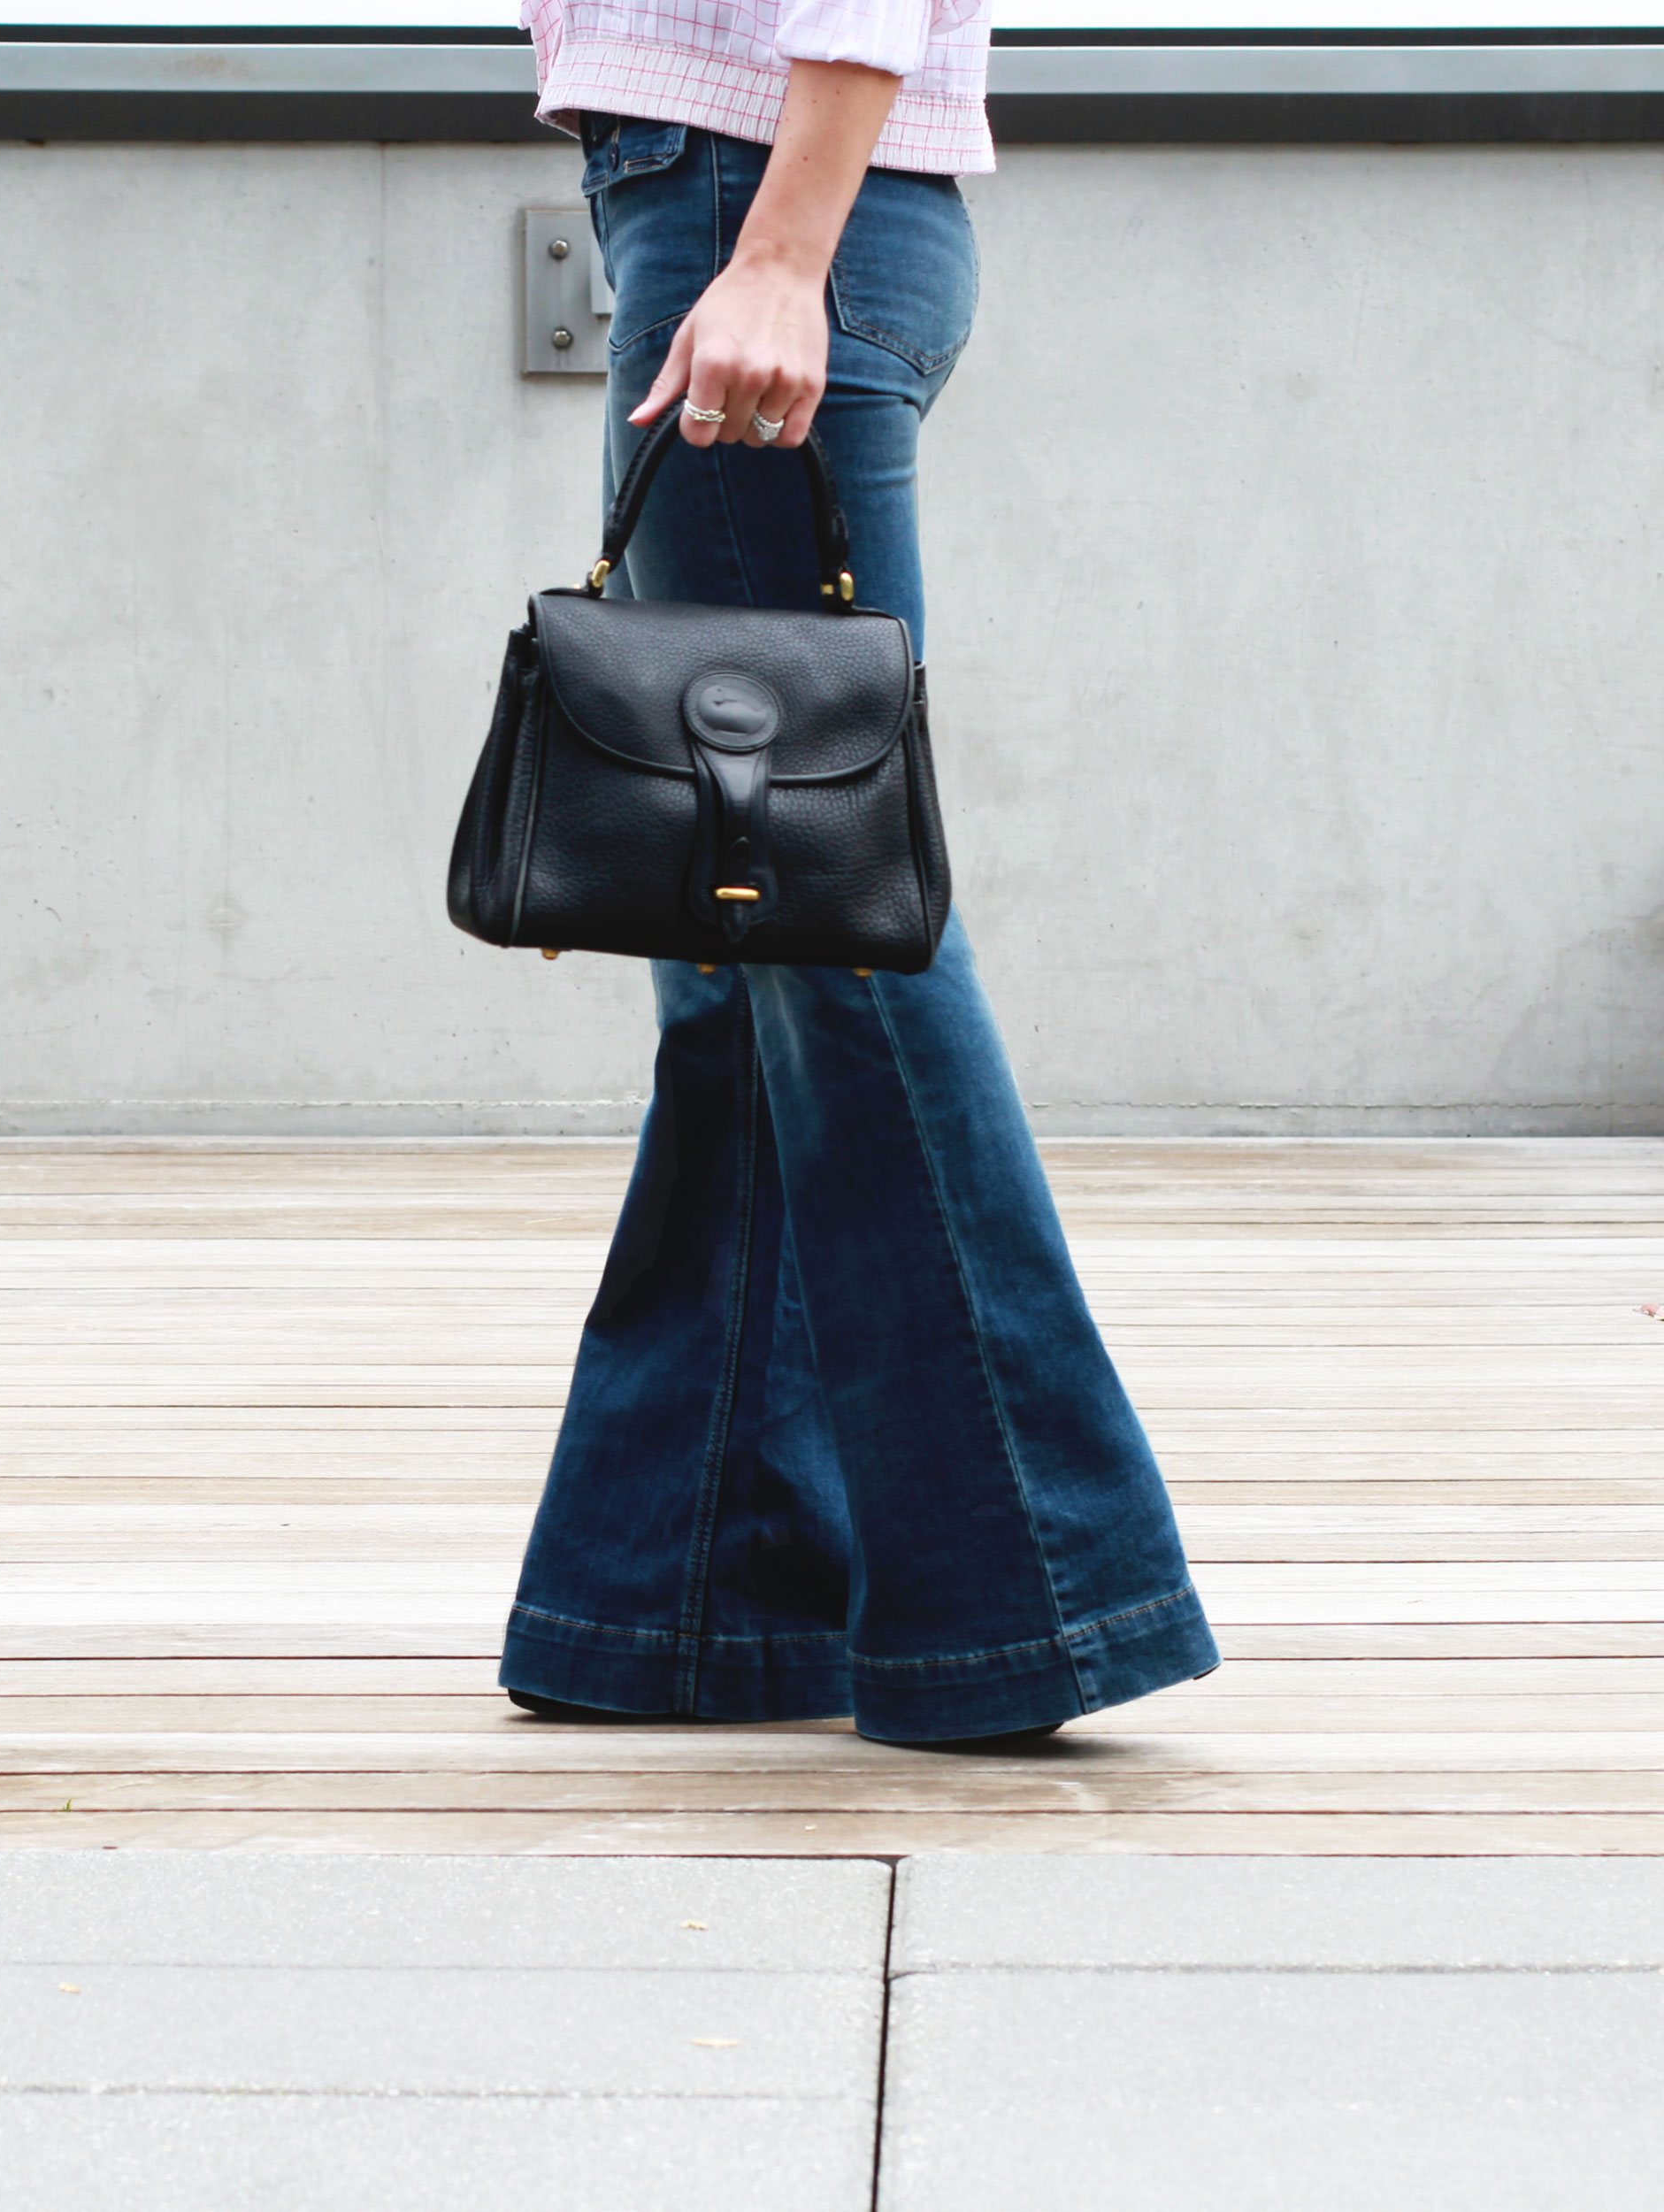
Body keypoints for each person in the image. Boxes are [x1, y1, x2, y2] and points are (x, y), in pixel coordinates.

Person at [497, 0, 1220, 1744]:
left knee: (817, 912)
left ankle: (1032, 1591)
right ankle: (679, 1595)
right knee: (739, 923)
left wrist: (777, 250)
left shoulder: (769, 215)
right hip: (721, 195)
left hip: (763, 199)